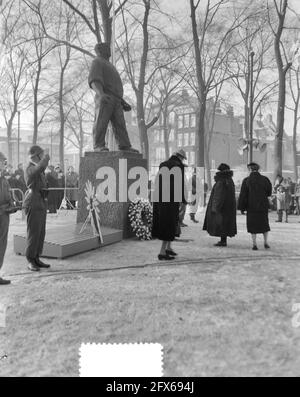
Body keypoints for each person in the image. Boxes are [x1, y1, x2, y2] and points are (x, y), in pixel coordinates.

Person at [88, 42, 139, 153]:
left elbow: (115, 86)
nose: (109, 50)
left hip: (116, 100)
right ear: (100, 50)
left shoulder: (111, 66)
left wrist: (122, 101)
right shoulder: (97, 62)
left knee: (120, 123)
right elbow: (94, 79)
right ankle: (98, 145)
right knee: (101, 121)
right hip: (105, 96)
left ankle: (124, 145)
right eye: (107, 48)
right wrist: (101, 94)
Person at [152, 150, 187, 260]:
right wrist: (183, 199)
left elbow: (157, 181)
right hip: (171, 200)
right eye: (182, 158)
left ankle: (168, 248)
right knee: (169, 224)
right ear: (180, 157)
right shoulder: (178, 166)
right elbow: (179, 184)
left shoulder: (162, 165)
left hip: (160, 199)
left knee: (167, 223)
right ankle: (162, 252)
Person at [23, 145, 51, 271]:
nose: (42, 157)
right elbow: (37, 170)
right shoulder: (29, 168)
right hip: (33, 201)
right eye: (41, 155)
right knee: (33, 232)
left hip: (40, 200)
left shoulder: (38, 169)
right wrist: (46, 159)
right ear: (35, 156)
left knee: (40, 232)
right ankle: (30, 259)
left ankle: (36, 257)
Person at [238, 162, 272, 250]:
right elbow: (269, 192)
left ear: (250, 170)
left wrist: (242, 208)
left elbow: (243, 195)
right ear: (258, 169)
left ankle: (254, 244)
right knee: (264, 224)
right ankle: (265, 242)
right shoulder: (265, 179)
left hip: (251, 206)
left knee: (253, 226)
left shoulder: (246, 180)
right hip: (263, 206)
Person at [203, 163, 237, 247]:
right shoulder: (229, 180)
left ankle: (223, 241)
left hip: (221, 208)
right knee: (225, 224)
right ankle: (223, 240)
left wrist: (215, 207)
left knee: (220, 223)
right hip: (228, 207)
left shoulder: (221, 181)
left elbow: (218, 195)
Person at [0, 152, 15, 285]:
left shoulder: (4, 179)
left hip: (4, 215)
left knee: (2, 244)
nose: (4, 164)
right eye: (1, 161)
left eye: (4, 162)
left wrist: (12, 204)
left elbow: (8, 194)